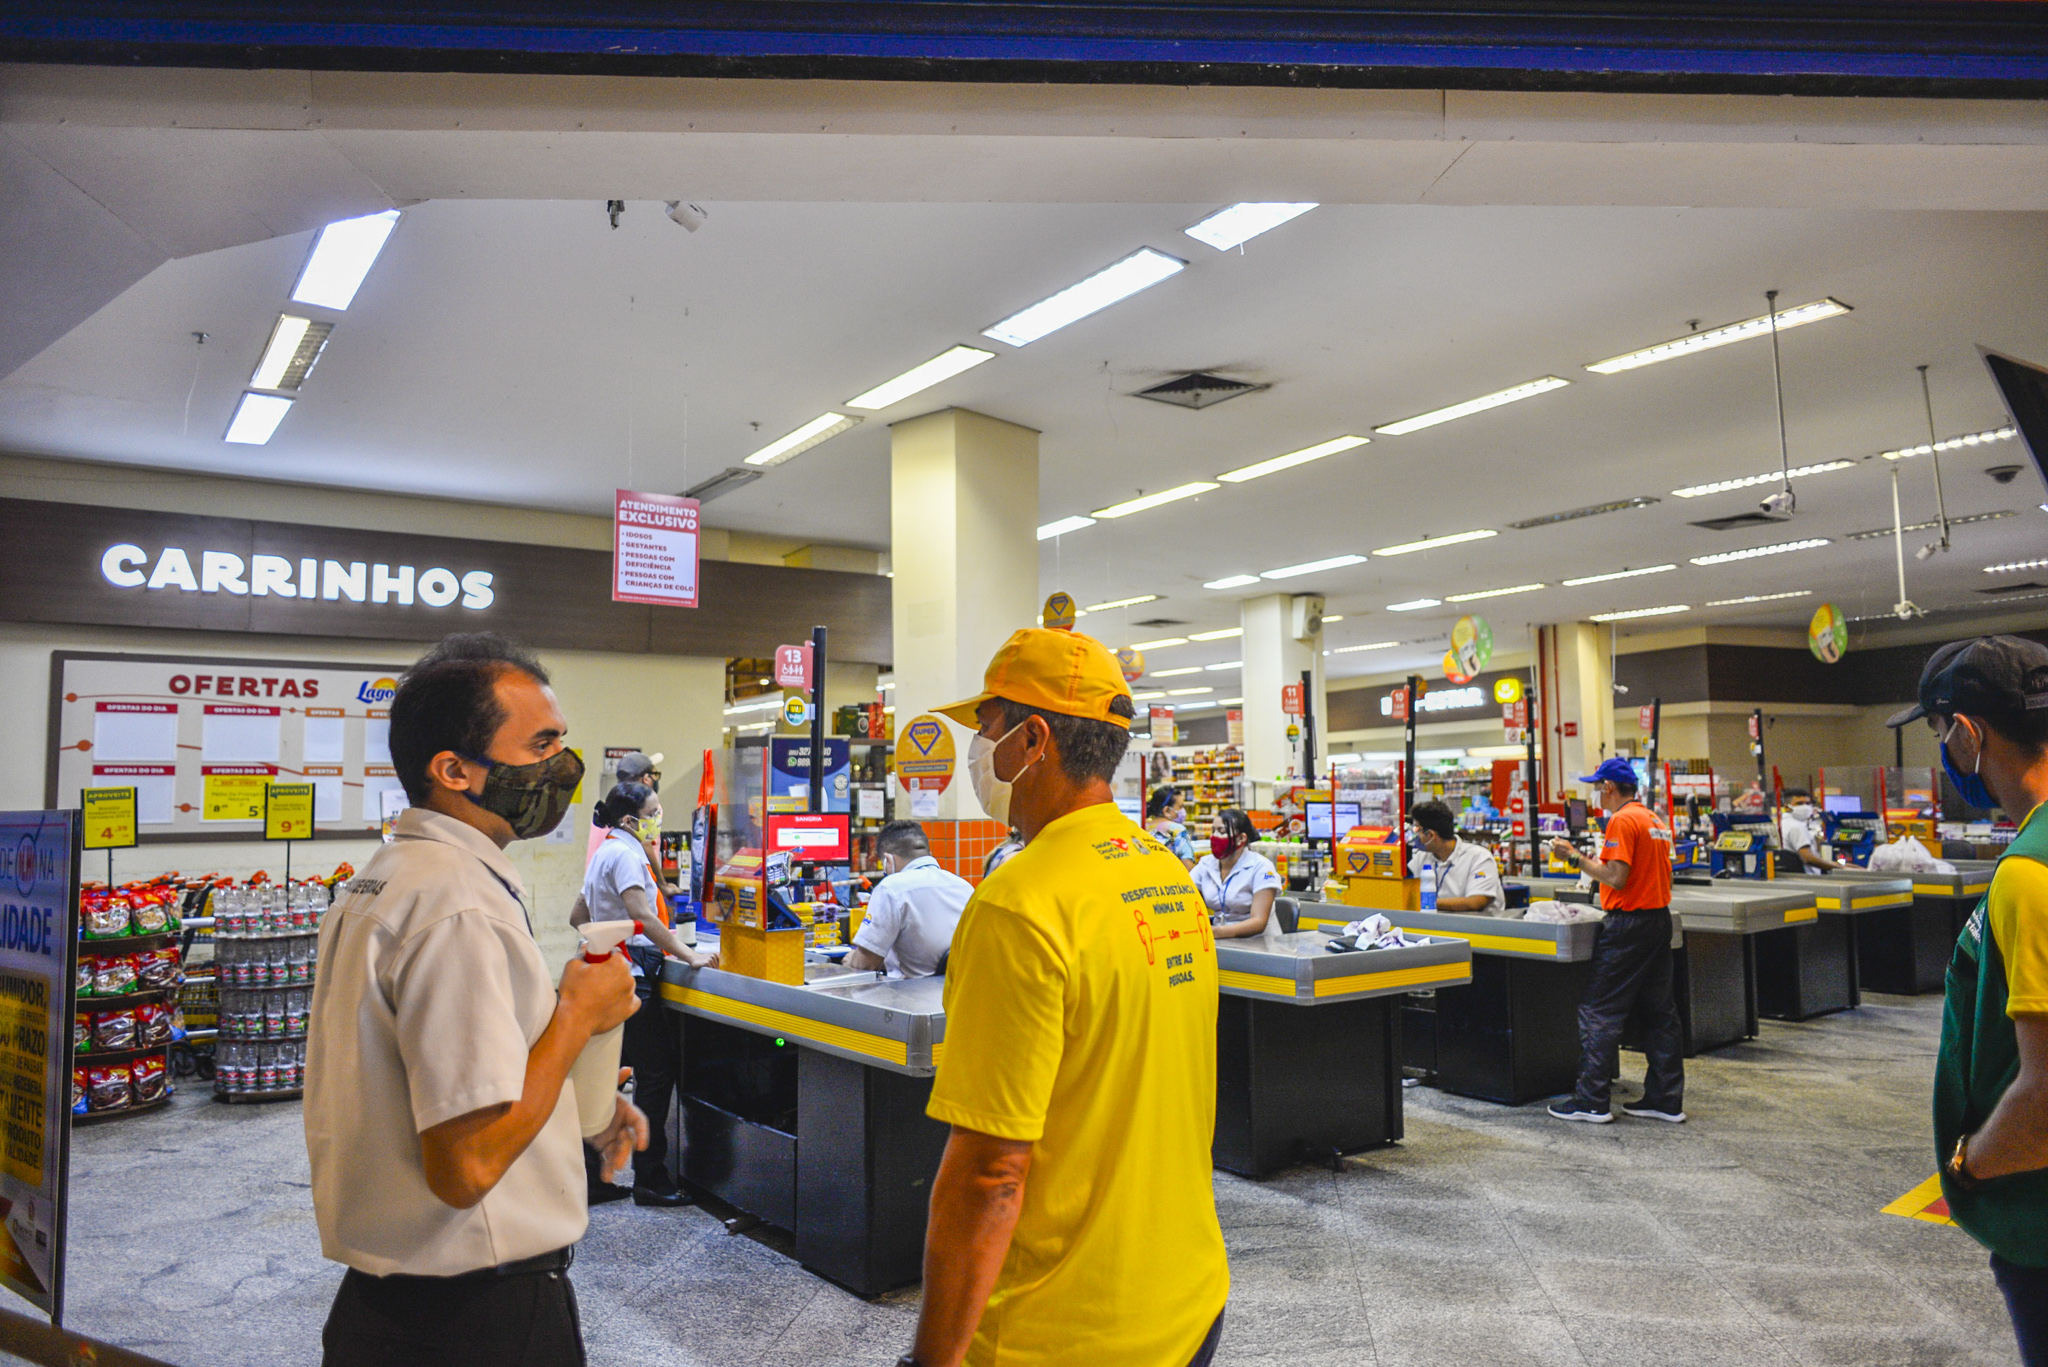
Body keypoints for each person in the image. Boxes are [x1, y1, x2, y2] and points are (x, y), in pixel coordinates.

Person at [305, 632, 645, 1367]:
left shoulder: (387, 880)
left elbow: (422, 1085)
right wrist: (577, 1013)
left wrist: (574, 1106)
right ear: (453, 769)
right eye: (543, 742)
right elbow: (465, 1165)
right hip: (473, 1317)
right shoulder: (456, 907)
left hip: (384, 1306)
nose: (564, 765)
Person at [903, 627, 1228, 1367]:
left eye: (986, 727)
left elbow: (991, 1172)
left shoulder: (1021, 903)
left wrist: (931, 1360)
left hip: (1062, 1332)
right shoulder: (1166, 872)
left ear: (1033, 739)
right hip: (1186, 1300)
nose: (978, 751)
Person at [1888, 636, 2048, 1365]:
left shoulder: (2028, 872)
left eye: (1940, 731)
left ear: (1968, 733)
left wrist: (1968, 1166)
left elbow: (2044, 1095)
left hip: (2036, 1215)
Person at [570, 781, 718, 1208]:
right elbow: (641, 914)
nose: (659, 818)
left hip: (604, 974)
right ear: (629, 819)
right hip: (634, 979)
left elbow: (578, 914)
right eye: (653, 811)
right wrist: (687, 954)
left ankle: (593, 1177)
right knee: (655, 1074)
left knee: (604, 1077)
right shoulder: (627, 854)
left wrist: (603, 942)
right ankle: (651, 1179)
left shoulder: (606, 851)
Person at [1546, 757, 1685, 1125]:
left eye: (1597, 786)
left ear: (1609, 786)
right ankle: (1666, 1099)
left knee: (1599, 1011)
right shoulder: (1652, 819)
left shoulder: (1622, 820)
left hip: (1629, 926)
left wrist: (1574, 857)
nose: (1595, 794)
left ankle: (1591, 1100)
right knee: (1661, 1013)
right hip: (1658, 920)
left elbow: (1616, 877)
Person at [847, 820, 972, 978]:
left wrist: (850, 960)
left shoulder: (891, 888)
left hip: (908, 997)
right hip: (956, 995)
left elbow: (866, 962)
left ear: (888, 861)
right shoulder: (964, 886)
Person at [1193, 808, 1284, 940]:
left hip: (1261, 945)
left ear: (1241, 838)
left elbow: (1259, 922)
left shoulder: (1261, 867)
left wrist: (1215, 932)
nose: (1214, 837)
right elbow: (1186, 893)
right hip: (1222, 943)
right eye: (1213, 831)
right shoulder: (1205, 864)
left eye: (1222, 831)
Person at [1408, 799, 1506, 915]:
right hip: (1436, 926)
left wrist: (1425, 902)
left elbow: (1475, 902)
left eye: (1416, 830)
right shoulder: (1421, 857)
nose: (1414, 836)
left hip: (1476, 928)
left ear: (1430, 835)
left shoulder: (1479, 858)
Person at [1777, 788, 1842, 873]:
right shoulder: (1797, 826)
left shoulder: (1783, 822)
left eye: (1808, 803)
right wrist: (1839, 867)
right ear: (1787, 807)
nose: (1805, 807)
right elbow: (1808, 858)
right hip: (1808, 878)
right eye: (1799, 804)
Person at [1146, 785, 1198, 866]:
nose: (1183, 811)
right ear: (1167, 811)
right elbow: (1189, 867)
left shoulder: (1142, 826)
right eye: (1180, 807)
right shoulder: (1178, 830)